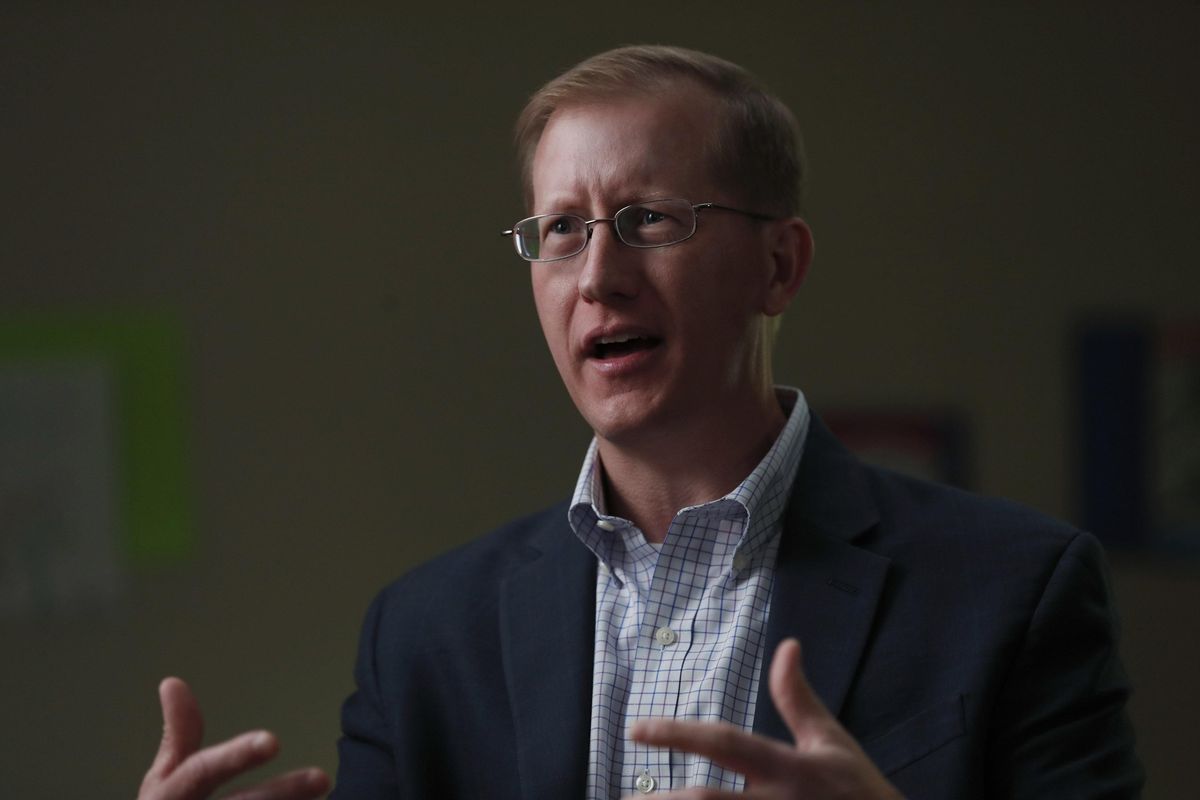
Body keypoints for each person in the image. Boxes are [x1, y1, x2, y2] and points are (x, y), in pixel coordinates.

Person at [139, 45, 1143, 799]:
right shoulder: (423, 634)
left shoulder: (1013, 592)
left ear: (779, 266)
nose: (597, 275)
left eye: (652, 219)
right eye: (563, 230)